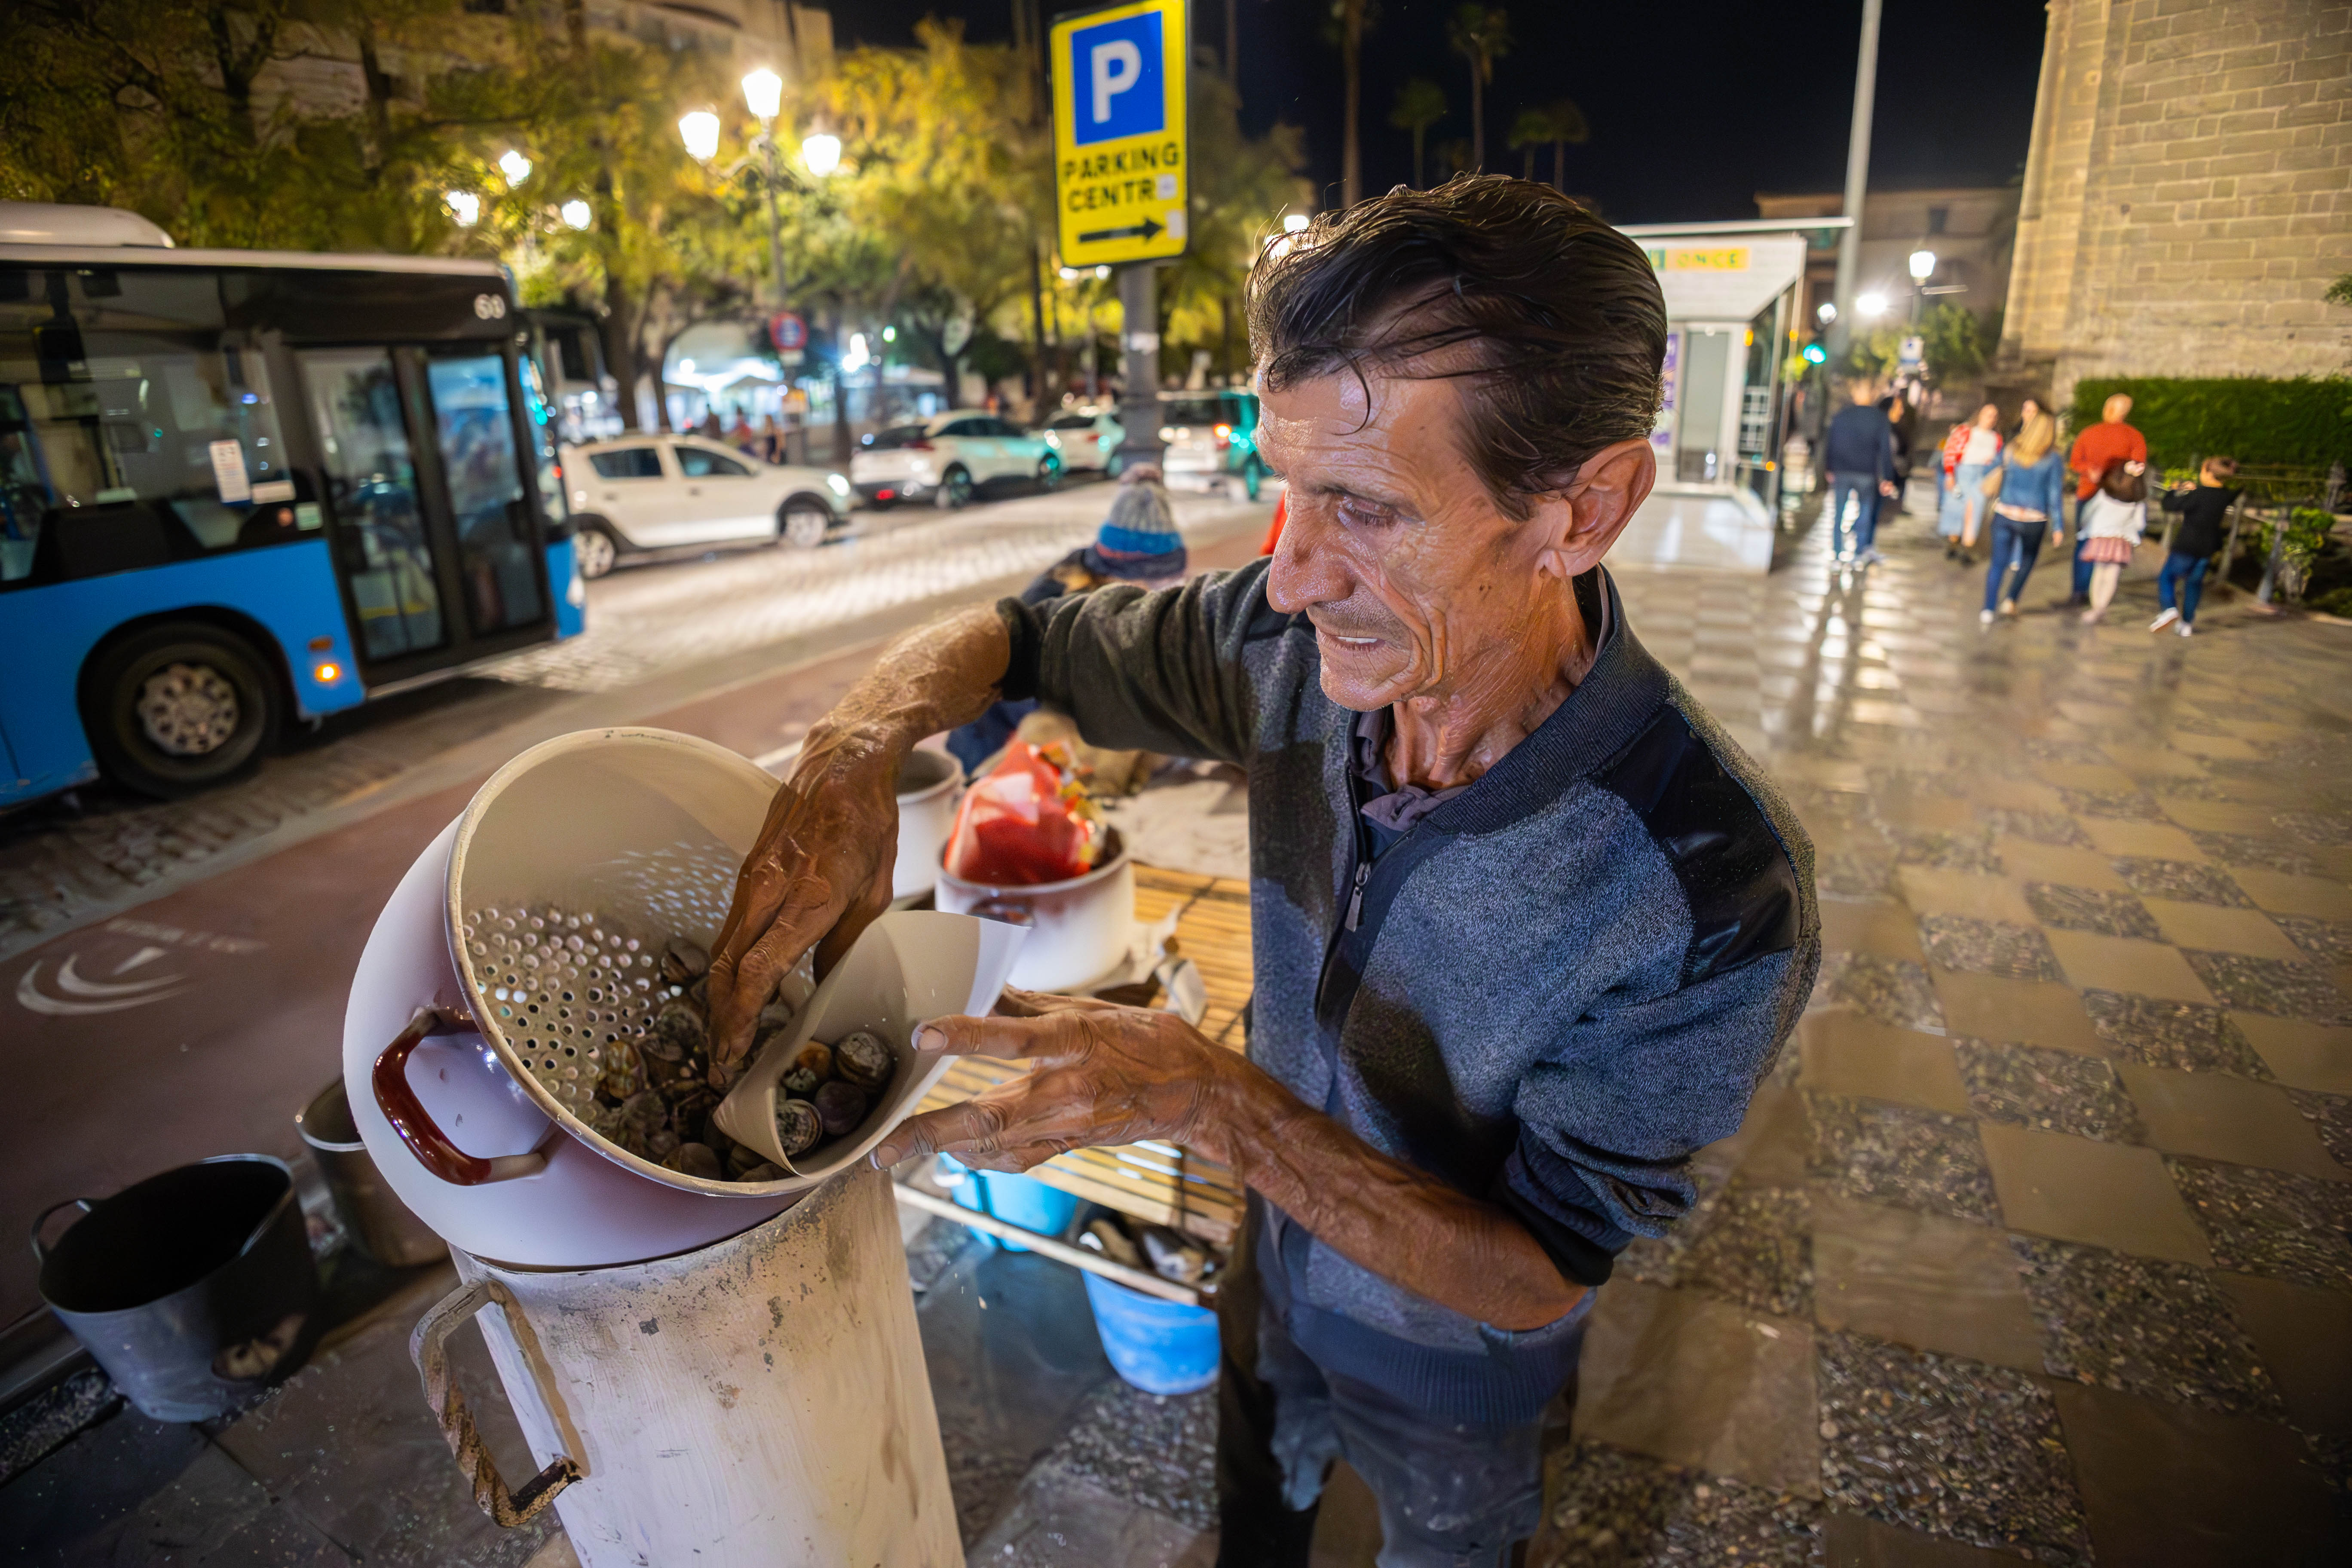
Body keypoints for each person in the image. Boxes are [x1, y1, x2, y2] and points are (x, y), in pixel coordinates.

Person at [701, 177, 1818, 1568]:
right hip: (1272, 1273)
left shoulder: (1708, 890)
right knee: (1254, 1533)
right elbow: (1023, 641)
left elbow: (1541, 1267)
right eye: (1288, 489)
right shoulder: (1281, 649)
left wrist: (1210, 1101)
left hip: (1459, 1371)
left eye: (1365, 508)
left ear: (1582, 510)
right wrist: (854, 747)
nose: (1289, 577)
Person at [945, 465, 1190, 776]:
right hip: (1028, 698)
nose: (1157, 590)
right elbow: (1027, 670)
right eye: (1152, 581)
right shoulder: (1058, 595)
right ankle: (973, 781)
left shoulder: (1124, 583)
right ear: (1117, 569)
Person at [1981, 409, 2067, 624]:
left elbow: (1989, 470)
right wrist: (2058, 525)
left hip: (2005, 514)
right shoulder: (2053, 458)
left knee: (1997, 563)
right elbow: (2054, 493)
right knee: (2027, 560)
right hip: (2034, 519)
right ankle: (2011, 600)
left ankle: (1988, 609)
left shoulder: (2011, 449)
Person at [2062, 393, 2147, 606]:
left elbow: (2075, 462)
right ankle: (2101, 594)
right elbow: (2139, 467)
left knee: (2084, 542)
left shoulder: (2089, 433)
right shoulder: (2134, 436)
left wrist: (2090, 470)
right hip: (2117, 500)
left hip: (2088, 492)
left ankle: (2080, 592)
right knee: (2112, 546)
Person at [2153, 455, 2241, 637]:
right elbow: (2223, 493)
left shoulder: (2198, 495)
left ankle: (2169, 609)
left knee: (2167, 577)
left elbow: (2170, 505)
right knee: (2194, 585)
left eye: (2202, 470)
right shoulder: (2225, 496)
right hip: (2207, 549)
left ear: (2208, 473)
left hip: (2187, 546)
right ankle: (2187, 624)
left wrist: (2173, 491)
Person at [1820, 379, 1898, 565]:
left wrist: (1829, 467)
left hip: (1842, 471)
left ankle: (1837, 554)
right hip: (1866, 472)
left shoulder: (1841, 415)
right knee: (1864, 512)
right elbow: (1885, 450)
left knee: (1839, 513)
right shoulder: (1879, 418)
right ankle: (1858, 553)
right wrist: (1888, 477)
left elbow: (1831, 443)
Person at [2076, 461, 2148, 624]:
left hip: (2101, 539)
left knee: (2099, 574)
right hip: (2121, 543)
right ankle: (2101, 608)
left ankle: (2096, 609)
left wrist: (2084, 525)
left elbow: (2088, 512)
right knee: (2112, 577)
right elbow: (2140, 525)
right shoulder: (2138, 504)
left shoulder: (2103, 495)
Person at [1937, 403, 2002, 564]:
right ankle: (1953, 543)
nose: (1991, 419)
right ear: (1980, 415)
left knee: (1974, 511)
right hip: (1963, 472)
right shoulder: (1965, 431)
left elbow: (1997, 460)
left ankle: (1967, 548)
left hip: (1981, 476)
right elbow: (1950, 451)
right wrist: (1950, 474)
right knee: (1956, 507)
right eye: (1988, 414)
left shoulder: (1996, 439)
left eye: (1994, 416)